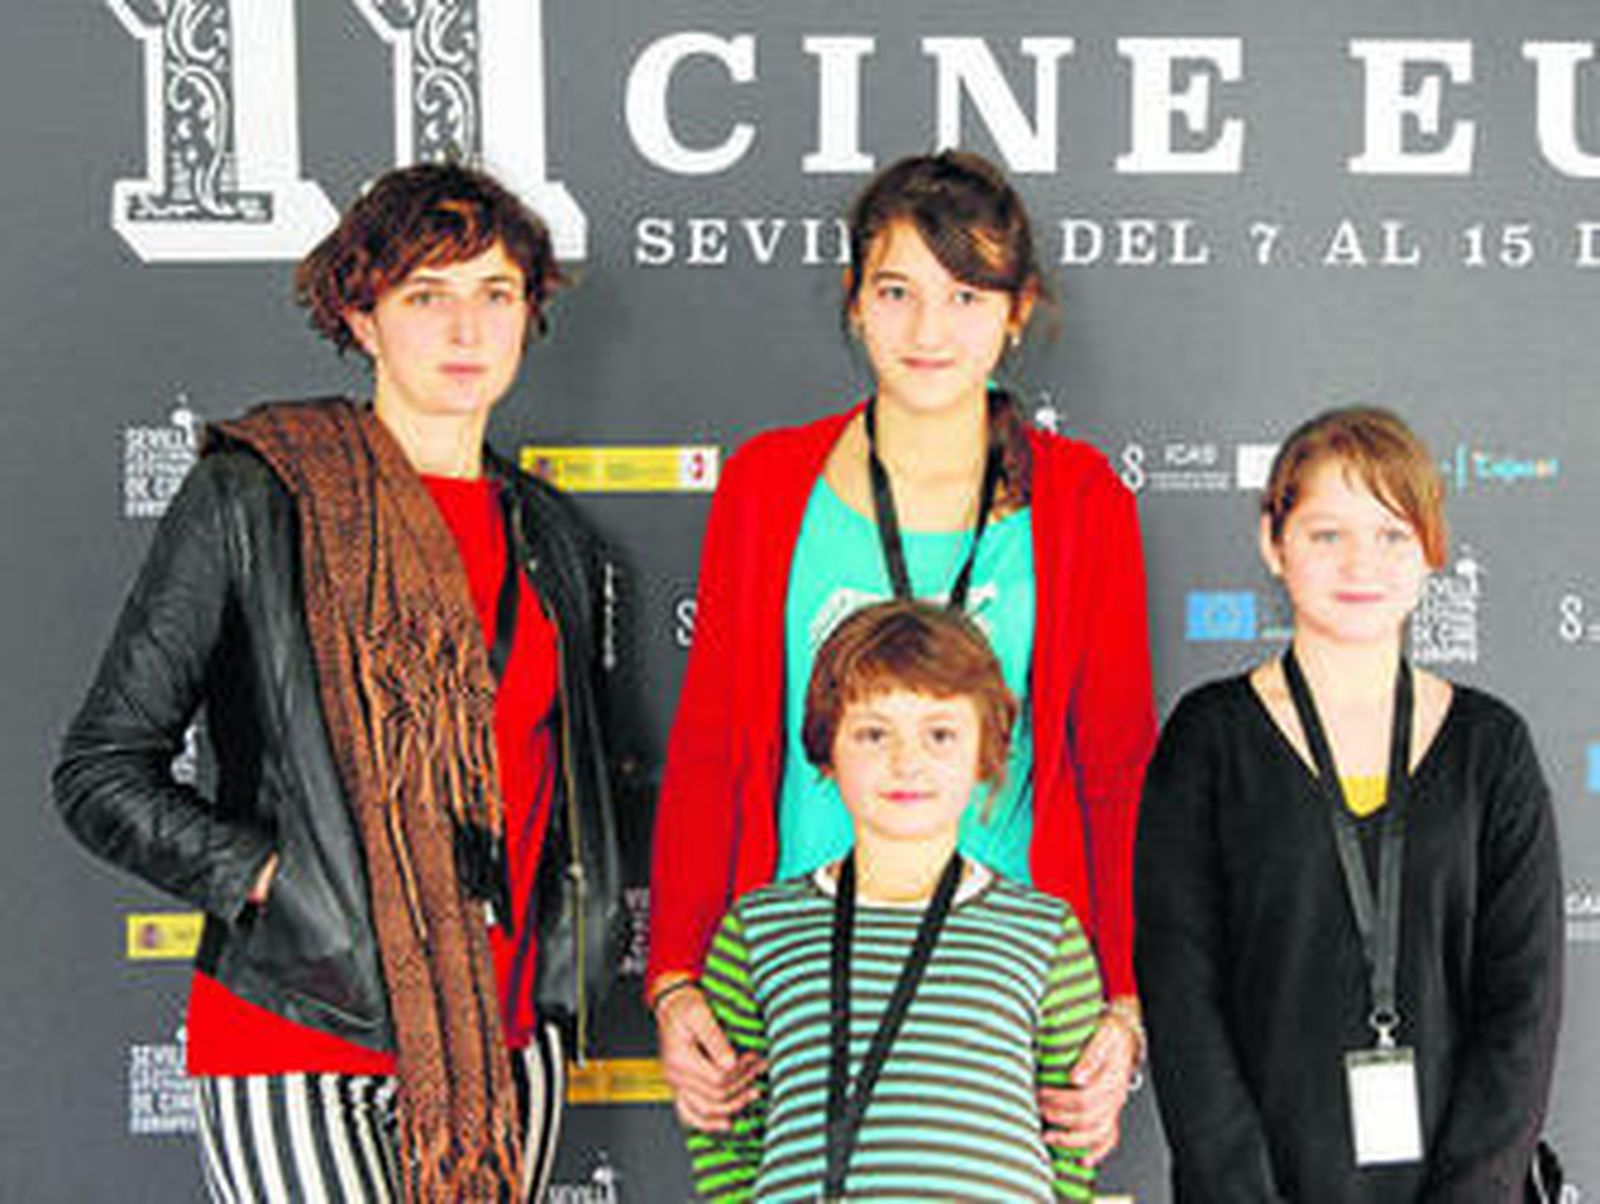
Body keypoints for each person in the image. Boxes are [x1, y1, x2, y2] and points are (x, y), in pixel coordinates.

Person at [53, 162, 620, 1203]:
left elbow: (560, 788)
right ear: (362, 317)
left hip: (499, 1044)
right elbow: (103, 770)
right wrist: (278, 882)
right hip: (298, 1023)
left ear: (529, 314)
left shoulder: (548, 537)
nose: (466, 329)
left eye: (495, 294)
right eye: (426, 295)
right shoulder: (257, 493)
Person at [649, 149, 1155, 1161]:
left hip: (1010, 971)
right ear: (854, 302)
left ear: (1016, 313)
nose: (929, 330)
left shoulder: (1081, 498)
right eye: (897, 291)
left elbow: (1114, 765)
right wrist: (674, 977)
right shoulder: (767, 485)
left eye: (966, 296)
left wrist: (1124, 999)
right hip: (795, 960)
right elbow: (712, 750)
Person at [1135, 406, 1562, 1202]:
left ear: (1431, 551)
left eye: (1392, 534)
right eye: (1327, 533)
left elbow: (1522, 1009)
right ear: (1274, 543)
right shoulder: (1209, 739)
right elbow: (1181, 992)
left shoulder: (1490, 747)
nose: (1361, 562)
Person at [683, 599, 1104, 1201]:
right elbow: (724, 1127)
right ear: (828, 749)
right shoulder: (758, 929)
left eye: (940, 734)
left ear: (986, 752)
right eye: (874, 734)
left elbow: (1073, 1138)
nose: (907, 762)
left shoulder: (1043, 932)